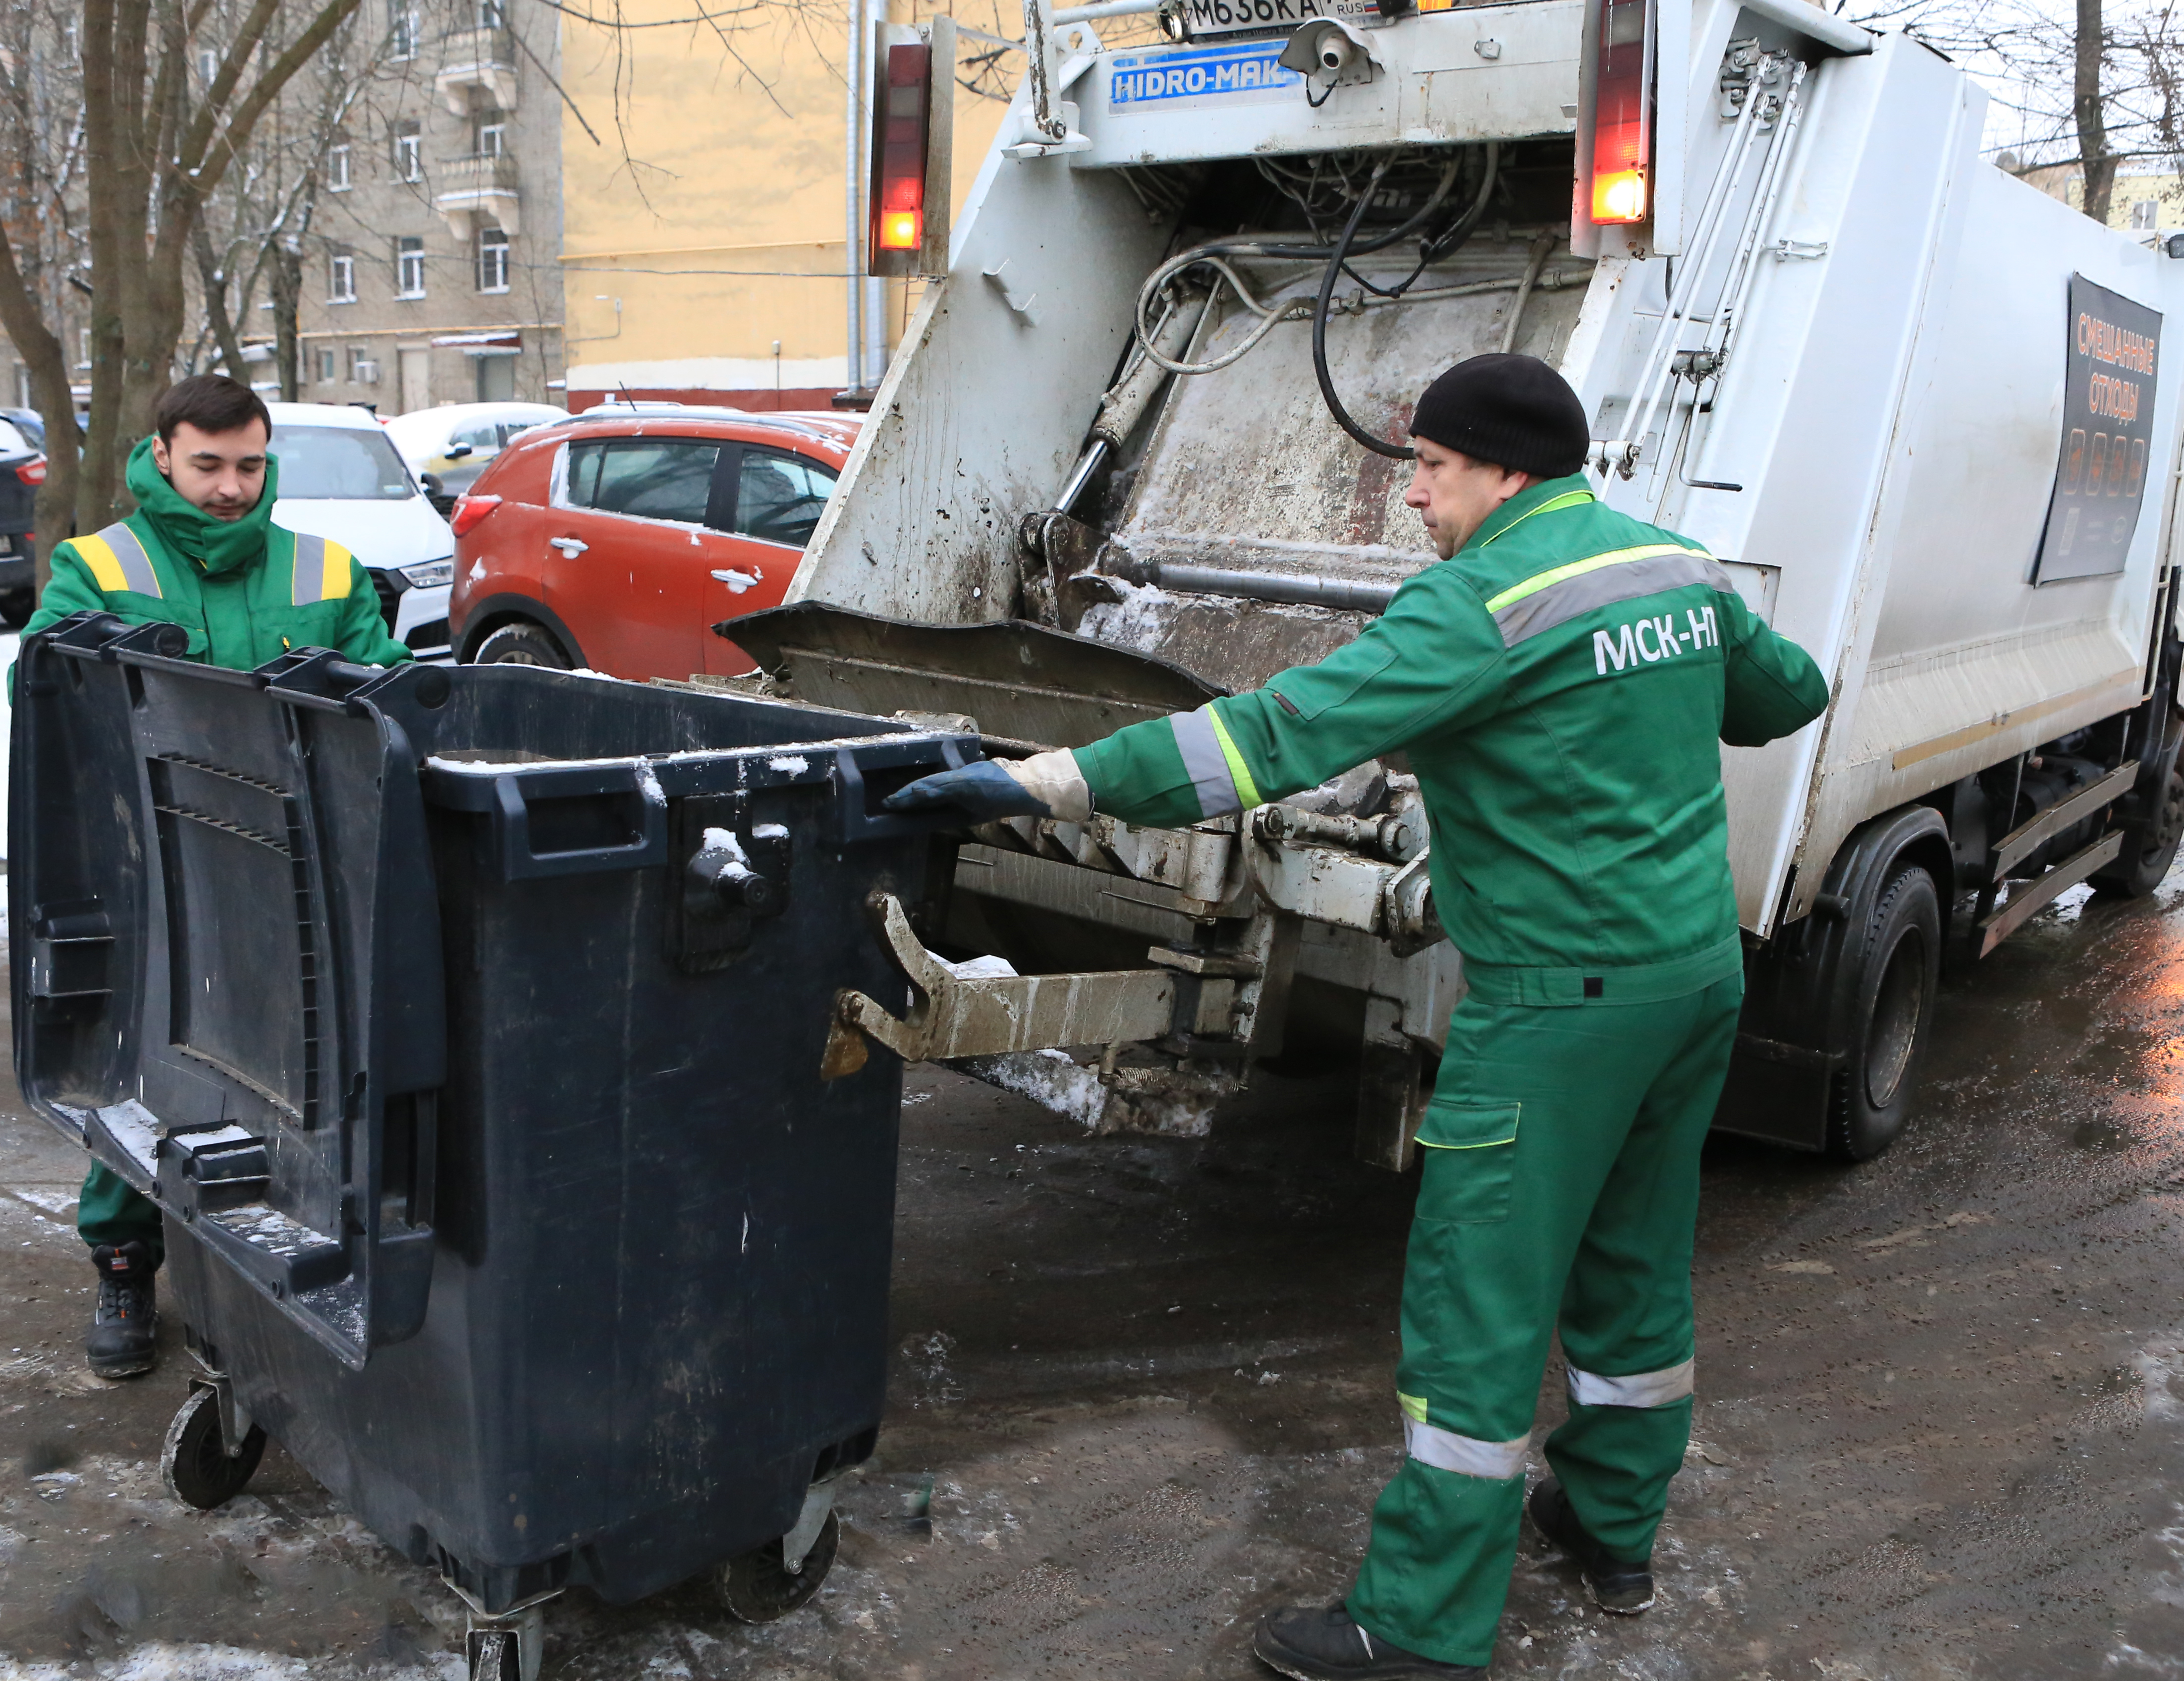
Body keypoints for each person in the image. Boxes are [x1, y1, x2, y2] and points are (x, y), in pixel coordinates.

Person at [885, 353, 1831, 1679]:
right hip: (1691, 986)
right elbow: (1788, 696)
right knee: (1635, 1260)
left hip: (1557, 1009)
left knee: (1480, 1314)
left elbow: (1262, 744)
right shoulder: (1674, 568)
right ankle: (1613, 1530)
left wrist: (1036, 783)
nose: (1418, 501)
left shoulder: (1477, 606)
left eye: (1433, 470)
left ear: (1506, 470)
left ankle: (1425, 1626)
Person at [17, 374, 412, 1381]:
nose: (231, 487)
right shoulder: (101, 563)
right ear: (160, 456)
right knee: (146, 1084)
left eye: (248, 464)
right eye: (208, 465)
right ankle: (122, 1259)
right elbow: (48, 692)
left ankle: (272, 1261)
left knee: (303, 1085)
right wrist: (102, 653)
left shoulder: (324, 568)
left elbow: (394, 695)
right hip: (158, 885)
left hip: (300, 883)